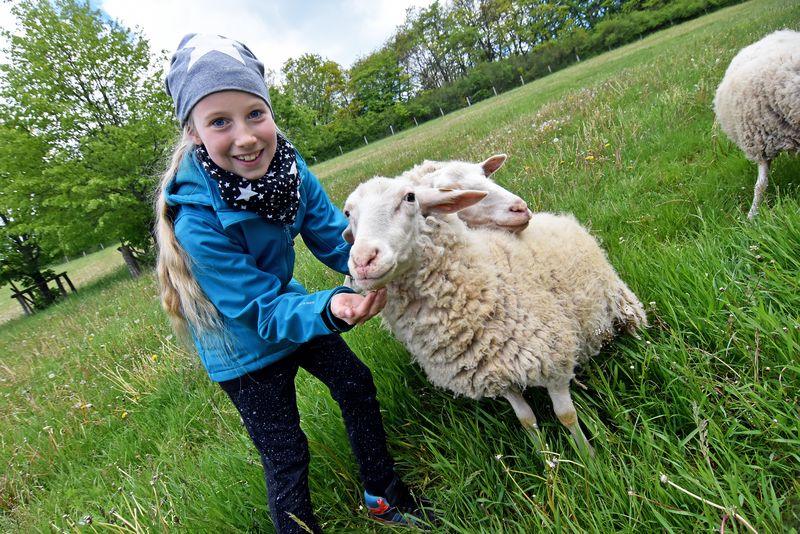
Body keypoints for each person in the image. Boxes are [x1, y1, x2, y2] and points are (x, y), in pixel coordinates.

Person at [154, 33, 433, 533]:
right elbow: (257, 309)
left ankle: (382, 499)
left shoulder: (289, 170)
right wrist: (331, 309)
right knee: (285, 451)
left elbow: (332, 235)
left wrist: (369, 265)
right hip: (244, 347)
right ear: (194, 134)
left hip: (291, 311)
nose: (245, 136)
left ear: (269, 110)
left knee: (355, 384)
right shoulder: (195, 221)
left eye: (254, 113)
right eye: (220, 122)